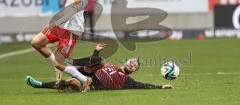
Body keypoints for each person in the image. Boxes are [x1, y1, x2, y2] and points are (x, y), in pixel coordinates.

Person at [31, 0, 91, 92]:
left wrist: (54, 23)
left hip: (71, 29)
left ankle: (85, 79)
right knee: (37, 42)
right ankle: (57, 66)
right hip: (62, 25)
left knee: (59, 63)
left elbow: (71, 12)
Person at [26, 44, 173, 91]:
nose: (132, 63)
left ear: (134, 70)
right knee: (101, 60)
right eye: (132, 61)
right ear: (127, 60)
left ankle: (39, 85)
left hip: (92, 84)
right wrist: (96, 51)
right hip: (86, 71)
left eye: (134, 65)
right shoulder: (112, 65)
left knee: (71, 82)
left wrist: (160, 87)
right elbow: (95, 61)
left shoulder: (126, 80)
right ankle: (72, 63)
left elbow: (143, 86)